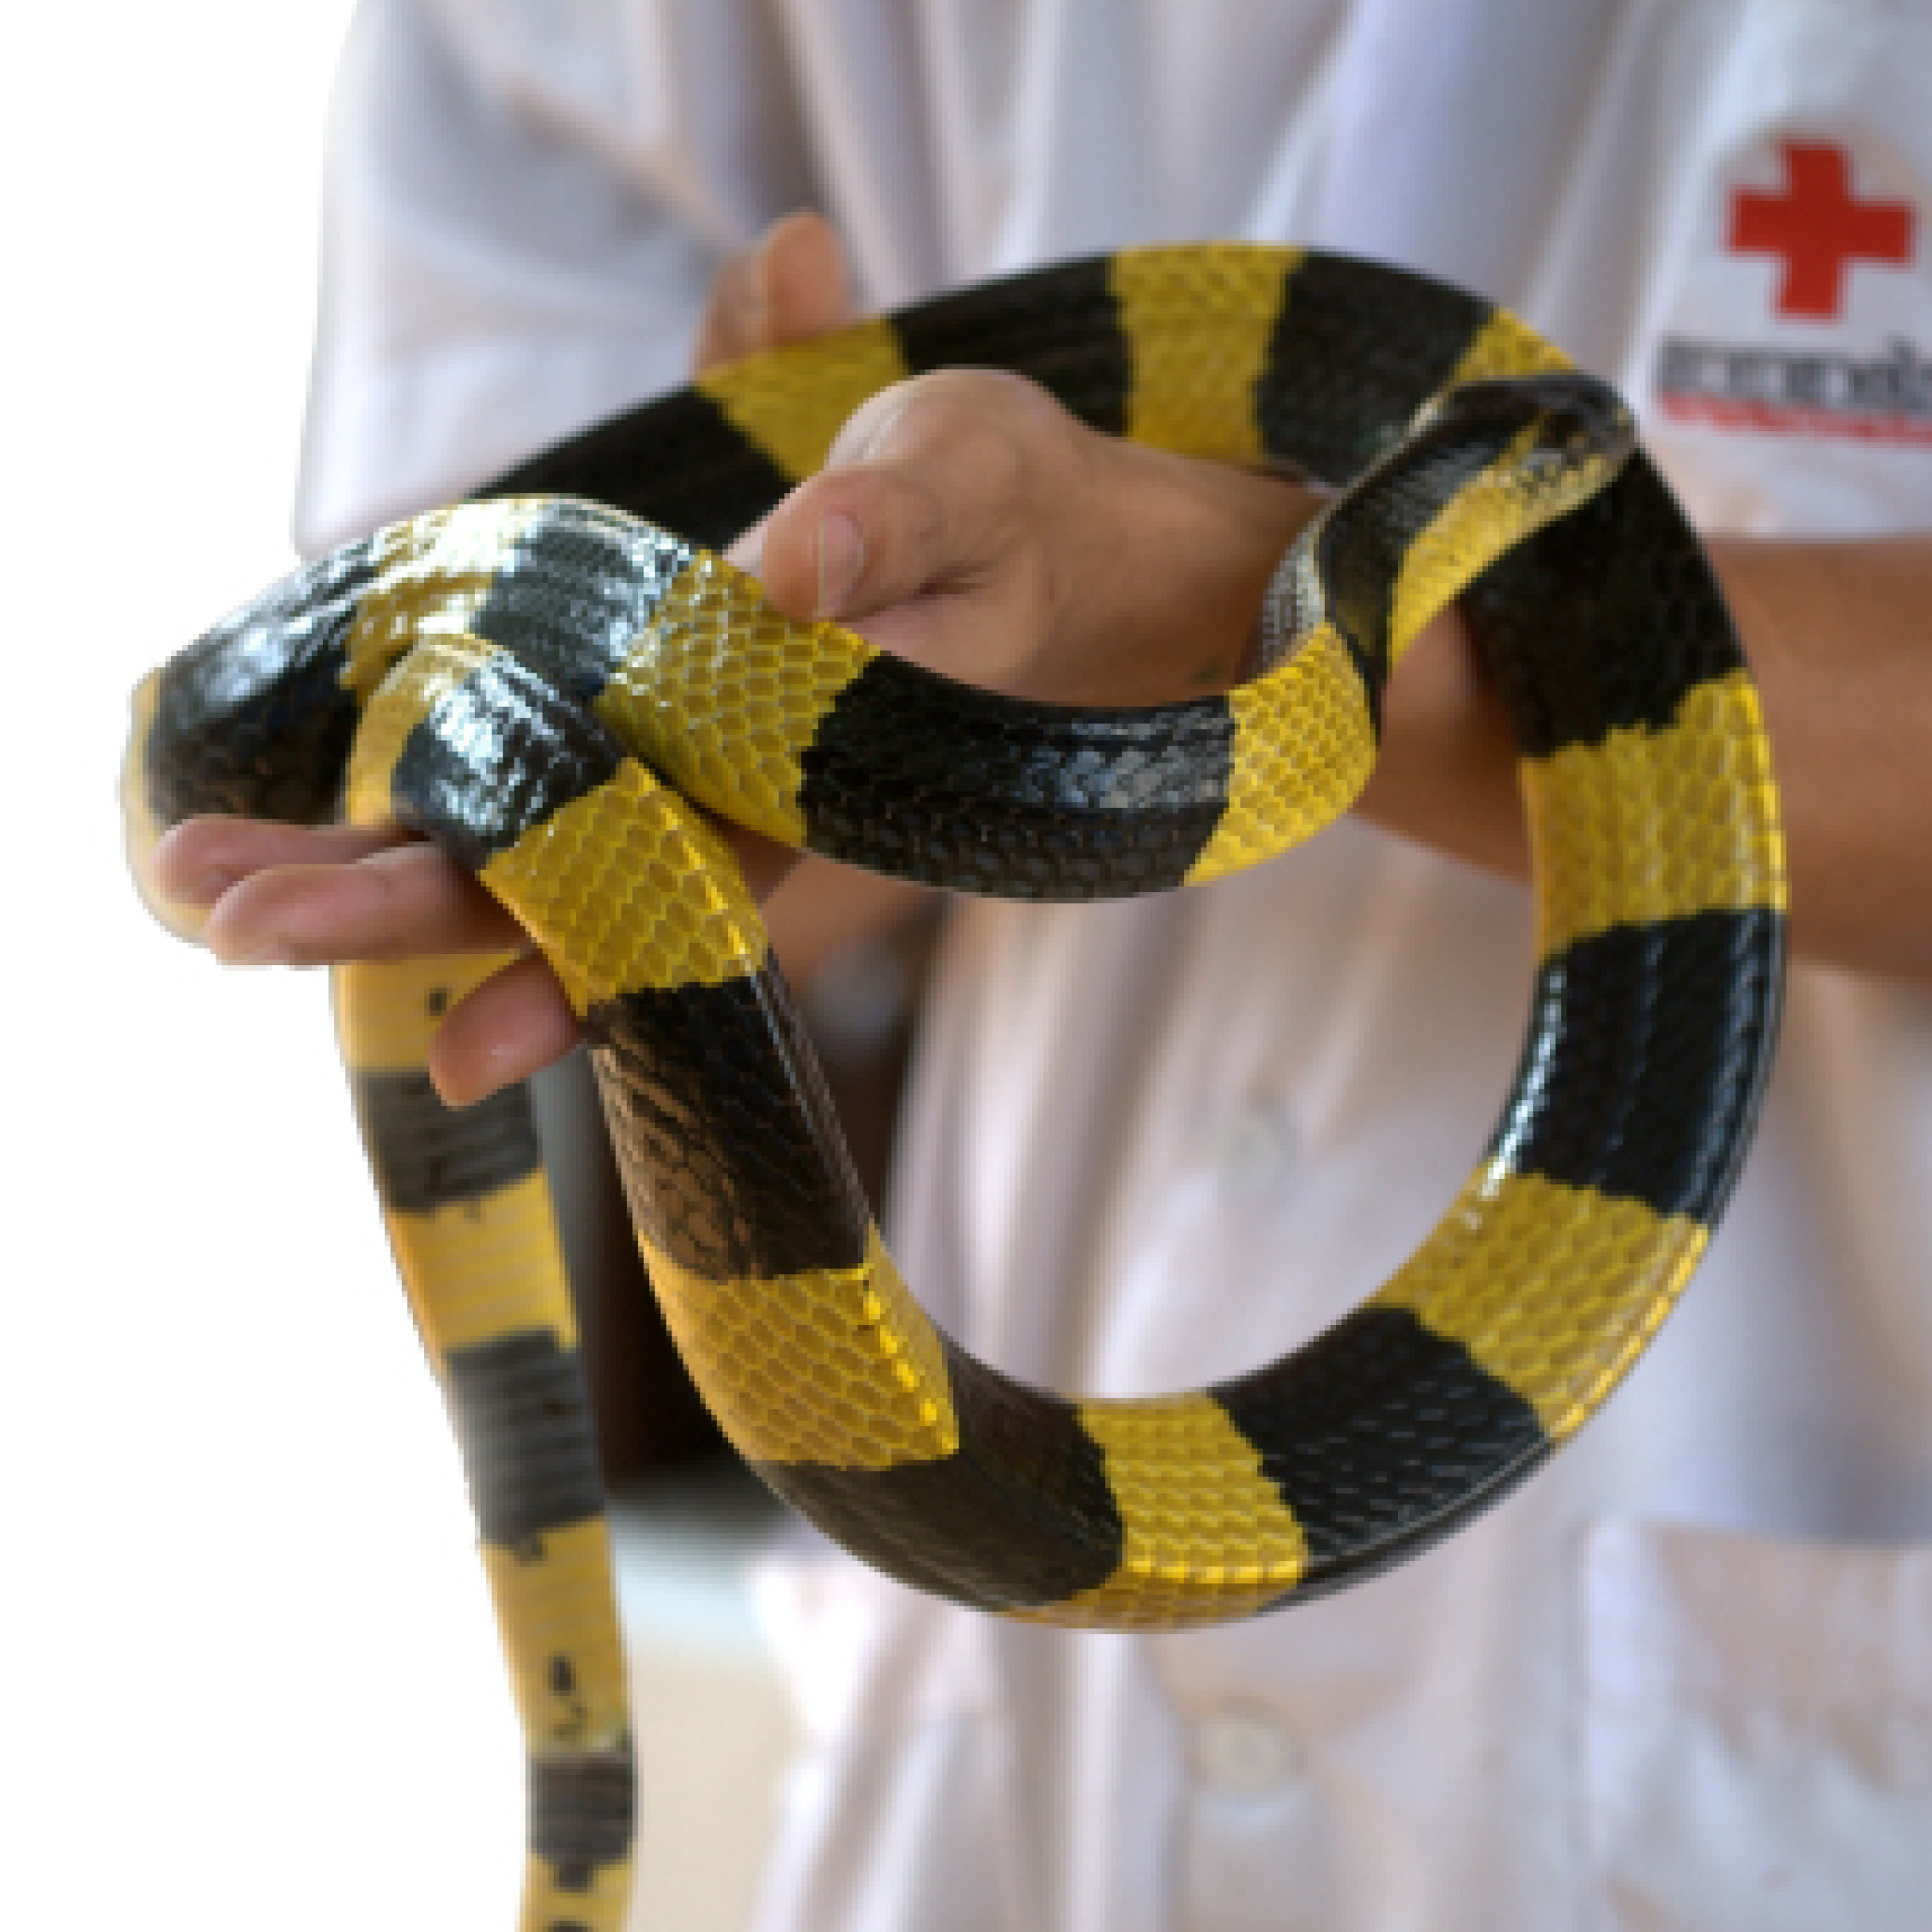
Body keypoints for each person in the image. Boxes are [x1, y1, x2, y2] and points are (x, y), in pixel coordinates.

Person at [148, 3, 1932, 1925]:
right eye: (1561, 456)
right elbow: (373, 693)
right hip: (1011, 1784)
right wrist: (748, 702)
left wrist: (1169, 589)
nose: (1600, 455)